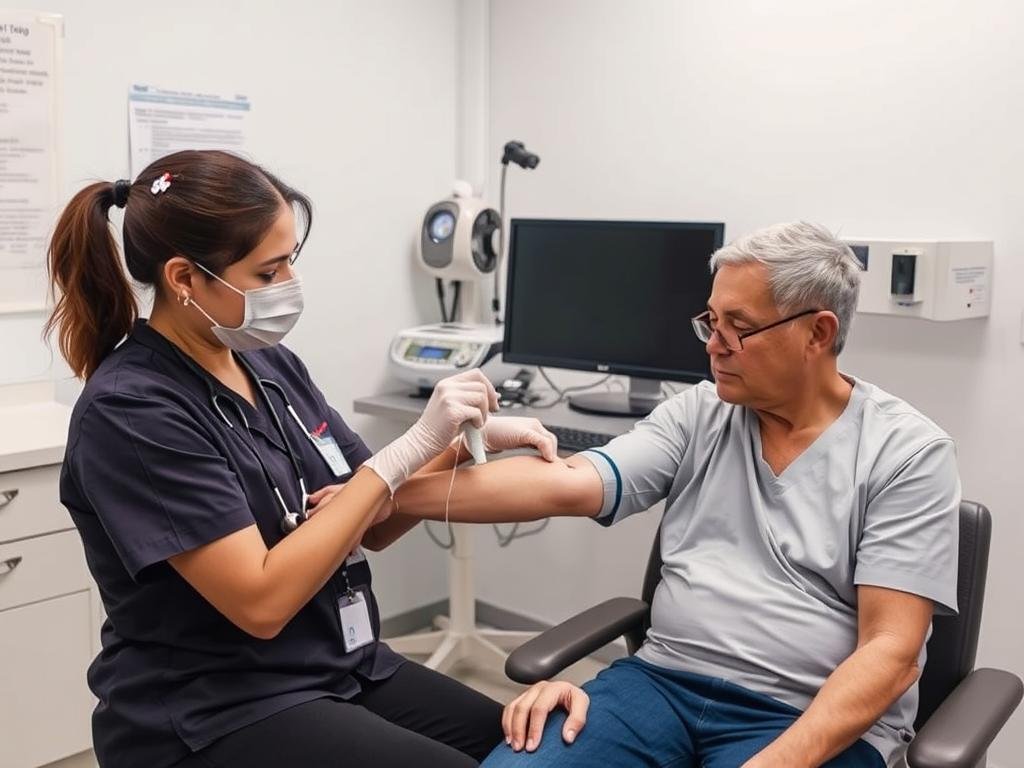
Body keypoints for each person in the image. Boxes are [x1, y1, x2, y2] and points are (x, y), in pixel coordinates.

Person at [47, 149, 560, 768]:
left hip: (340, 661)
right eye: (267, 273)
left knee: (532, 752)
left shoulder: (269, 366)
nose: (288, 284)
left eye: (291, 260)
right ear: (184, 279)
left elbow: (371, 520)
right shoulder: (132, 410)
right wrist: (409, 449)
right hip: (216, 706)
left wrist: (456, 447)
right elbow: (260, 602)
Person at [394, 222, 961, 768]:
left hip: (807, 713)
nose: (714, 346)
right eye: (710, 321)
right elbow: (566, 482)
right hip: (661, 683)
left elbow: (892, 651)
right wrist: (381, 496)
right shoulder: (701, 412)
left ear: (818, 333)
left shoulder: (906, 453)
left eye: (738, 326)